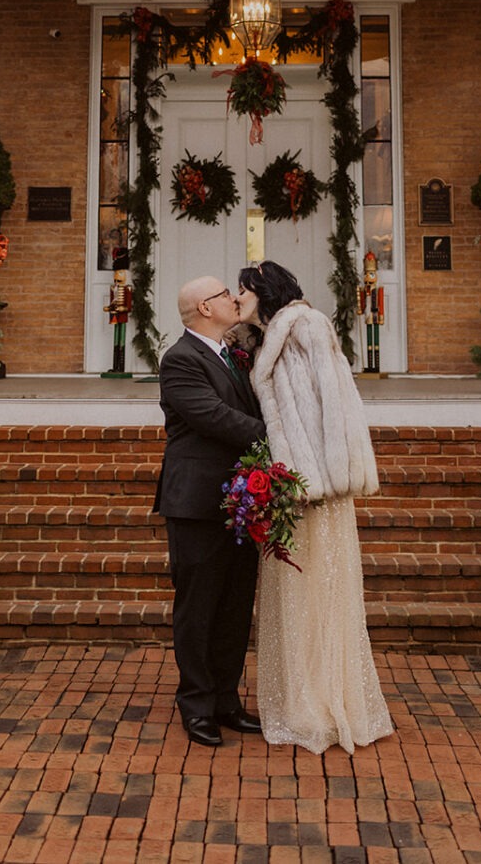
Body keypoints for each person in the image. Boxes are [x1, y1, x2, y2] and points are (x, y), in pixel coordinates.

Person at [236, 259, 394, 754]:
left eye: (242, 292)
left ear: (263, 290)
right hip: (291, 486)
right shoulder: (266, 338)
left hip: (317, 489)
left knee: (321, 592)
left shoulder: (306, 324)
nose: (237, 300)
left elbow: (335, 403)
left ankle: (326, 703)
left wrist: (324, 477)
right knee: (293, 597)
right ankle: (297, 700)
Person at [153, 274, 266, 747]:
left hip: (239, 501)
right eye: (224, 293)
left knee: (235, 608)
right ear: (204, 307)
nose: (233, 298)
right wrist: (280, 432)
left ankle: (226, 701)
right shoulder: (180, 359)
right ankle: (196, 705)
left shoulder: (233, 353)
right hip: (197, 502)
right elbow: (212, 417)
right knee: (198, 608)